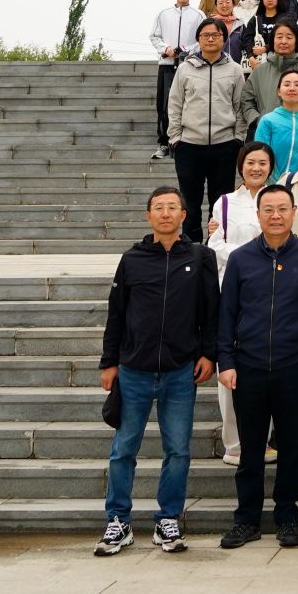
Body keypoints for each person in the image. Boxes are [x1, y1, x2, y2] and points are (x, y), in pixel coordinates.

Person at [93, 185, 218, 557]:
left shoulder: (201, 257)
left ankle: (168, 519)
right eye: (158, 207)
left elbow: (211, 312)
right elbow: (116, 313)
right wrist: (109, 362)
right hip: (134, 370)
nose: (165, 213)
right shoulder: (132, 259)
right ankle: (118, 521)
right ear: (148, 215)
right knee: (123, 449)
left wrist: (208, 354)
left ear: (184, 215)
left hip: (181, 370)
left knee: (177, 449)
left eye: (172, 207)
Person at [216, 182, 298, 549]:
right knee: (250, 450)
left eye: (283, 209)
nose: (276, 216)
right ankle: (246, 519)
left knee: (292, 447)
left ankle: (287, 516)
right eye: (269, 209)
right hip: (247, 367)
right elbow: (227, 313)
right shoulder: (241, 259)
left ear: (294, 213)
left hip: (294, 367)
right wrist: (226, 361)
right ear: (258, 214)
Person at [206, 144, 276, 471]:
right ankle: (234, 444)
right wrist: (252, 254)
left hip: (272, 291)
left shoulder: (278, 198)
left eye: (263, 163)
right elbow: (214, 245)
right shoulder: (224, 202)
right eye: (251, 162)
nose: (256, 168)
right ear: (241, 166)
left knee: (268, 365)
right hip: (231, 291)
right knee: (230, 366)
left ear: (271, 167)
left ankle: (263, 440)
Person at [165, 19, 250, 231]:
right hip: (189, 145)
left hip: (224, 145)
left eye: (216, 35)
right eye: (205, 35)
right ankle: (191, 245)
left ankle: (216, 244)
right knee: (190, 204)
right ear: (198, 39)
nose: (210, 39)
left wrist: (238, 138)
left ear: (224, 39)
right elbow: (174, 104)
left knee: (220, 204)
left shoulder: (235, 70)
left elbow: (240, 106)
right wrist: (175, 138)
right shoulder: (185, 69)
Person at [149, 0, 201, 160]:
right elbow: (154, 36)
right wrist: (166, 49)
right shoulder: (163, 14)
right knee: (164, 105)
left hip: (190, 65)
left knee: (188, 103)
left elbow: (201, 39)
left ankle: (184, 142)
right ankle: (164, 143)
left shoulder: (198, 15)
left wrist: (185, 50)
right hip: (167, 65)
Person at [240, 22, 298, 124]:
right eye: (279, 37)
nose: (283, 41)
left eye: (289, 37)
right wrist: (259, 120)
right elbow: (246, 100)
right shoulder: (259, 71)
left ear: (297, 41)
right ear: (272, 41)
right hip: (266, 130)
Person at [251, 69, 298, 180]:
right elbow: (260, 155)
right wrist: (277, 182)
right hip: (272, 185)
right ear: (279, 91)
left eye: (297, 85)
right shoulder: (268, 121)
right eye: (287, 84)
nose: (292, 88)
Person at [240, 0, 292, 70]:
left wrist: (265, 48)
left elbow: (288, 38)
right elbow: (247, 39)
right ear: (262, 0)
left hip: (281, 61)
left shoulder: (286, 19)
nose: (270, 0)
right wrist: (251, 57)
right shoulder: (255, 19)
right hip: (257, 61)